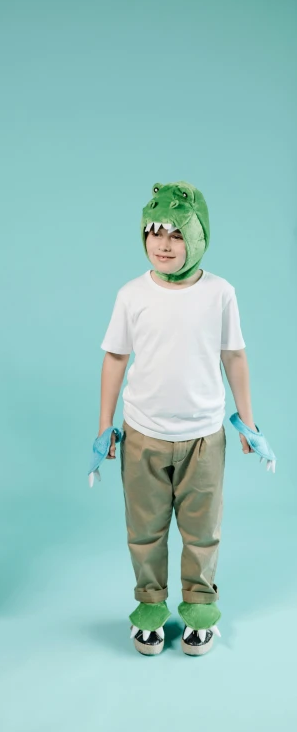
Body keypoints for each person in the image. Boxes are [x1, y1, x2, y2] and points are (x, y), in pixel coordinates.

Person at [99, 181, 256, 656]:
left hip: (204, 438)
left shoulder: (220, 293)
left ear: (199, 236)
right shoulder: (131, 294)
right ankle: (149, 606)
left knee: (202, 530)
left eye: (176, 234)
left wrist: (248, 423)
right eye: (154, 233)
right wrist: (105, 426)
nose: (163, 245)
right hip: (143, 435)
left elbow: (235, 357)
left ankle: (200, 610)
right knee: (144, 530)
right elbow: (115, 359)